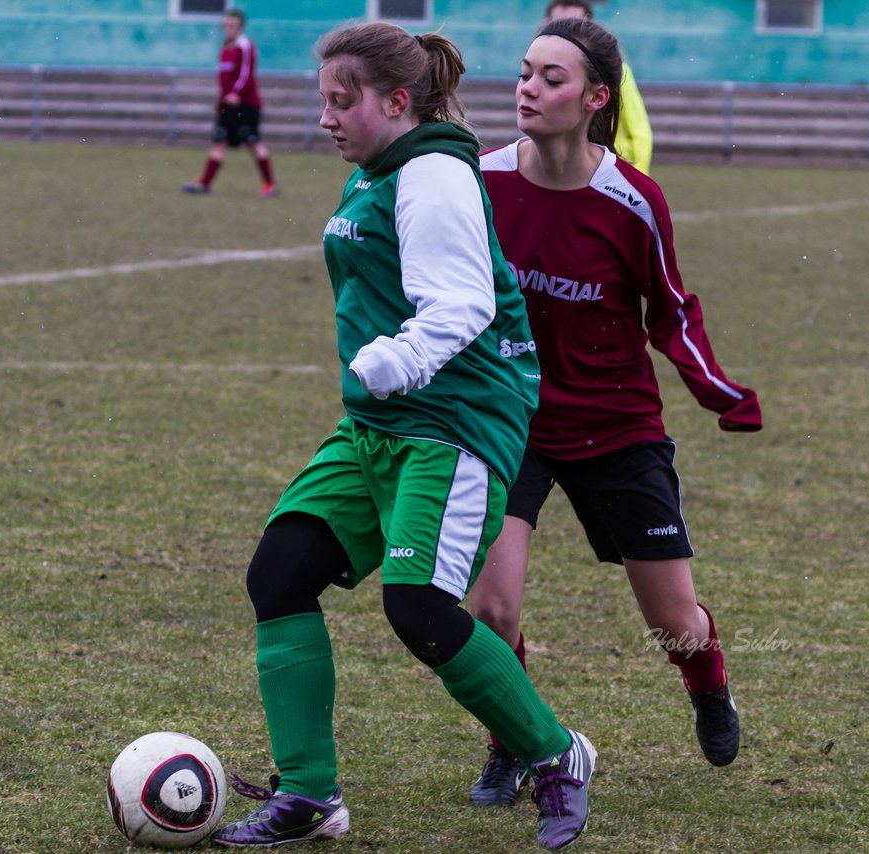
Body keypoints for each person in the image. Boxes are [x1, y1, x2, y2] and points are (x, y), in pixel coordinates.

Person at [210, 21, 595, 851]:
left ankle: (559, 756)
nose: (326, 118)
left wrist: (398, 358)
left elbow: (462, 306)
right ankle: (309, 794)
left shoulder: (431, 176)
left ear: (397, 101)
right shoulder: (381, 168)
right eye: (322, 100)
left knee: (418, 608)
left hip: (454, 426)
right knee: (279, 574)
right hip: (381, 426)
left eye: (342, 101)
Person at [465, 16, 762, 807]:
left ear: (596, 98)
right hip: (510, 423)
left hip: (616, 427)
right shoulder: (480, 180)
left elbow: (668, 310)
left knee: (675, 625)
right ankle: (516, 743)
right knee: (490, 609)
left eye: (550, 78)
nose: (528, 87)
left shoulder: (631, 201)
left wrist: (719, 392)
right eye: (525, 71)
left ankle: (709, 682)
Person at [544, 0, 652, 174]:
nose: (566, 33)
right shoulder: (536, 73)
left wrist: (636, 179)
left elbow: (640, 132)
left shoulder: (616, 72)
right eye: (558, 25)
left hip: (611, 166)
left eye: (575, 25)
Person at [182, 8, 279, 198]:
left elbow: (246, 73)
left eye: (233, 25)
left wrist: (236, 93)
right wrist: (221, 104)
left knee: (253, 143)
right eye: (226, 25)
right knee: (219, 142)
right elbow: (223, 82)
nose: (229, 29)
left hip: (246, 105)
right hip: (229, 107)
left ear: (241, 27)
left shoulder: (245, 46)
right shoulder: (225, 48)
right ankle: (204, 183)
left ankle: (269, 184)